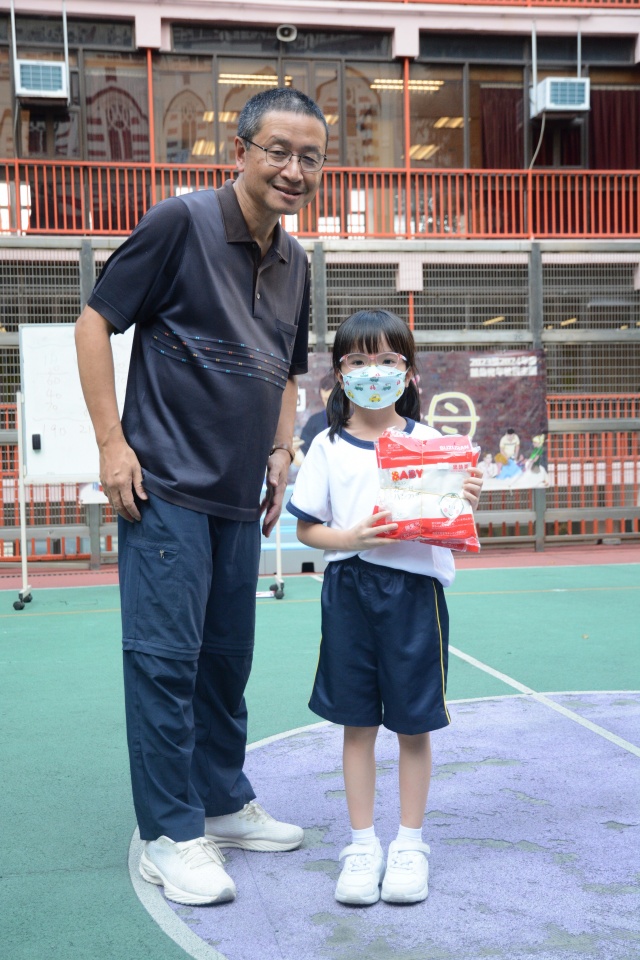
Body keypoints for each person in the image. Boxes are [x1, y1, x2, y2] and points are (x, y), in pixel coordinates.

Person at [74, 87, 329, 907]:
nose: (294, 170)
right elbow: (93, 322)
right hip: (166, 491)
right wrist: (112, 444)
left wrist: (282, 449)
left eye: (311, 158)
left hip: (238, 501)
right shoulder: (179, 223)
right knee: (165, 665)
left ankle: (221, 802)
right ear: (241, 151)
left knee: (225, 664)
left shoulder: (297, 262)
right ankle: (170, 833)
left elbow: (287, 372)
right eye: (279, 151)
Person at [287, 309, 482, 906]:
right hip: (349, 592)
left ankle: (410, 844)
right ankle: (362, 844)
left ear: (409, 371)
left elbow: (449, 519)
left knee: (413, 724)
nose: (374, 372)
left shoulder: (432, 444)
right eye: (359, 360)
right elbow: (308, 529)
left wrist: (465, 499)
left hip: (414, 596)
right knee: (358, 723)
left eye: (388, 360)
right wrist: (350, 538)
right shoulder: (327, 445)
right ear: (339, 373)